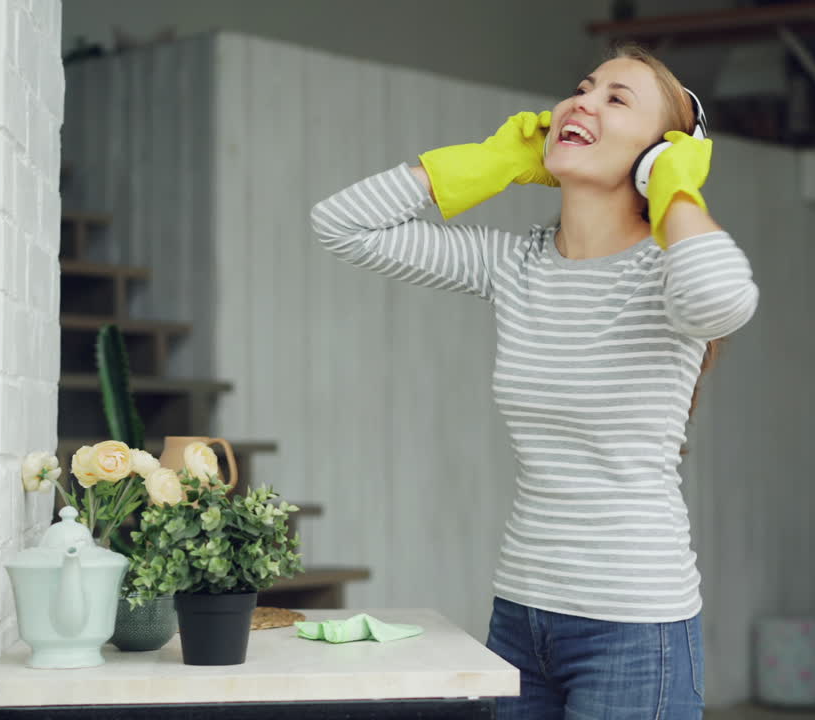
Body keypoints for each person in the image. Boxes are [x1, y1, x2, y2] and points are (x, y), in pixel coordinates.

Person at [311, 43, 759, 719]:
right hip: (522, 617)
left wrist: (674, 186)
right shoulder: (516, 264)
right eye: (582, 87)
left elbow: (723, 298)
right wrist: (485, 164)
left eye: (616, 98)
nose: (581, 101)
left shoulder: (666, 271)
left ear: (658, 153)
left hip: (634, 628)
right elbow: (340, 225)